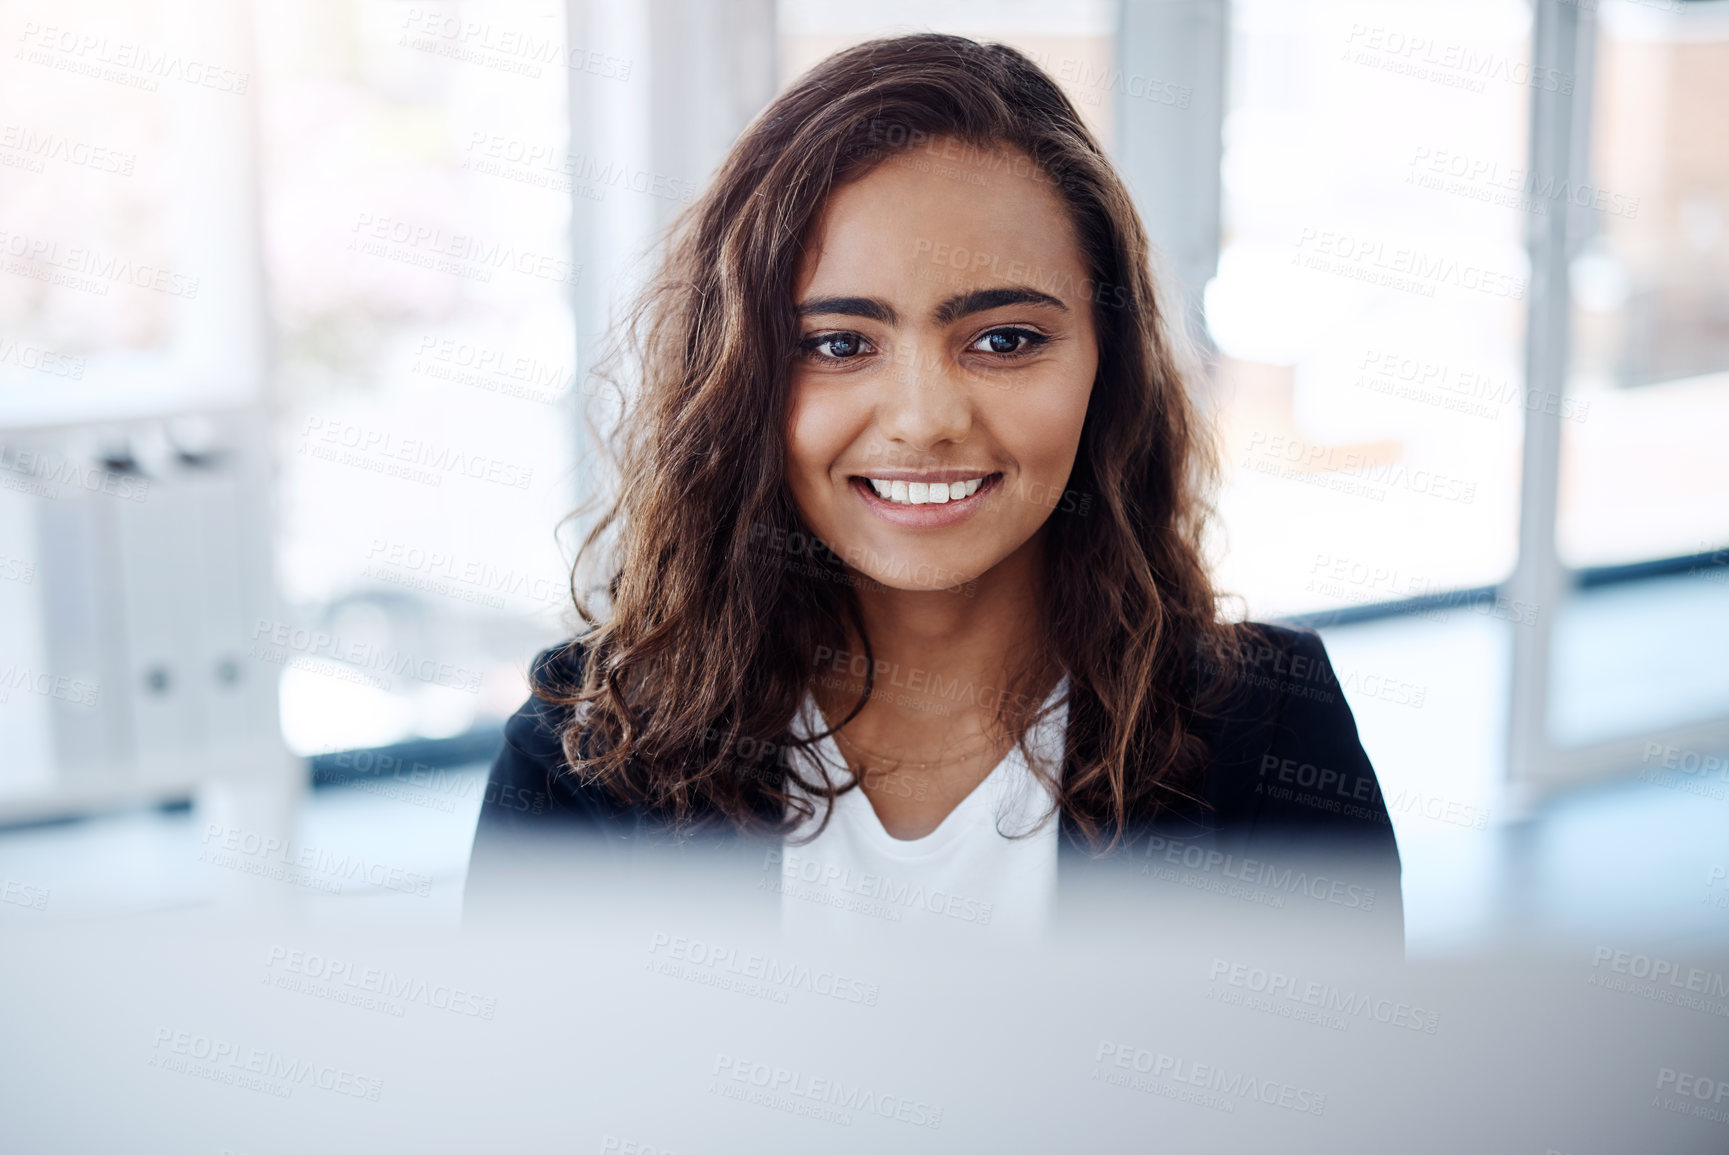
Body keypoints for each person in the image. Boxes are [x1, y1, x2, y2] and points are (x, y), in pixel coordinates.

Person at [465, 32, 1403, 953]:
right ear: (739, 379)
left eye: (1003, 340)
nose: (922, 420)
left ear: (1105, 366)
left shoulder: (1269, 723)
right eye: (838, 344)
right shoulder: (581, 751)